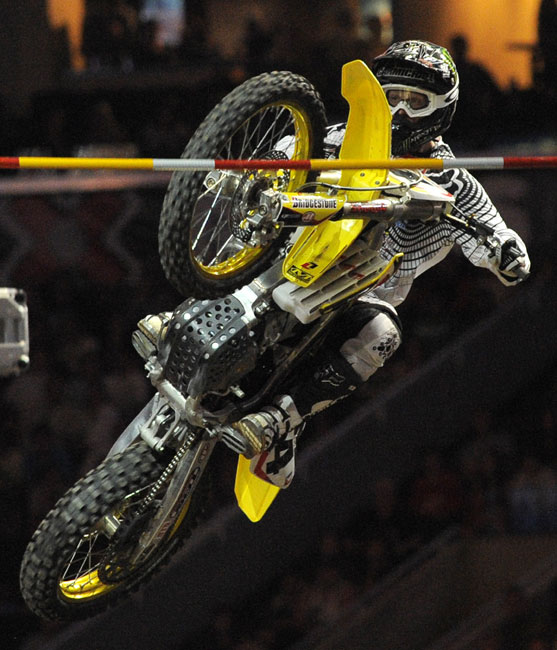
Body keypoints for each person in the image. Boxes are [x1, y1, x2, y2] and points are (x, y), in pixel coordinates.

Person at [219, 40, 531, 488]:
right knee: (252, 231)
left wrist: (508, 253)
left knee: (382, 335)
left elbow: (499, 238)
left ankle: (283, 420)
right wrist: (255, 170)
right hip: (296, 259)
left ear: (440, 110)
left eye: (414, 102)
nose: (399, 112)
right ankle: (189, 312)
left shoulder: (454, 182)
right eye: (391, 98)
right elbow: (281, 155)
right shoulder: (334, 138)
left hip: (362, 295)